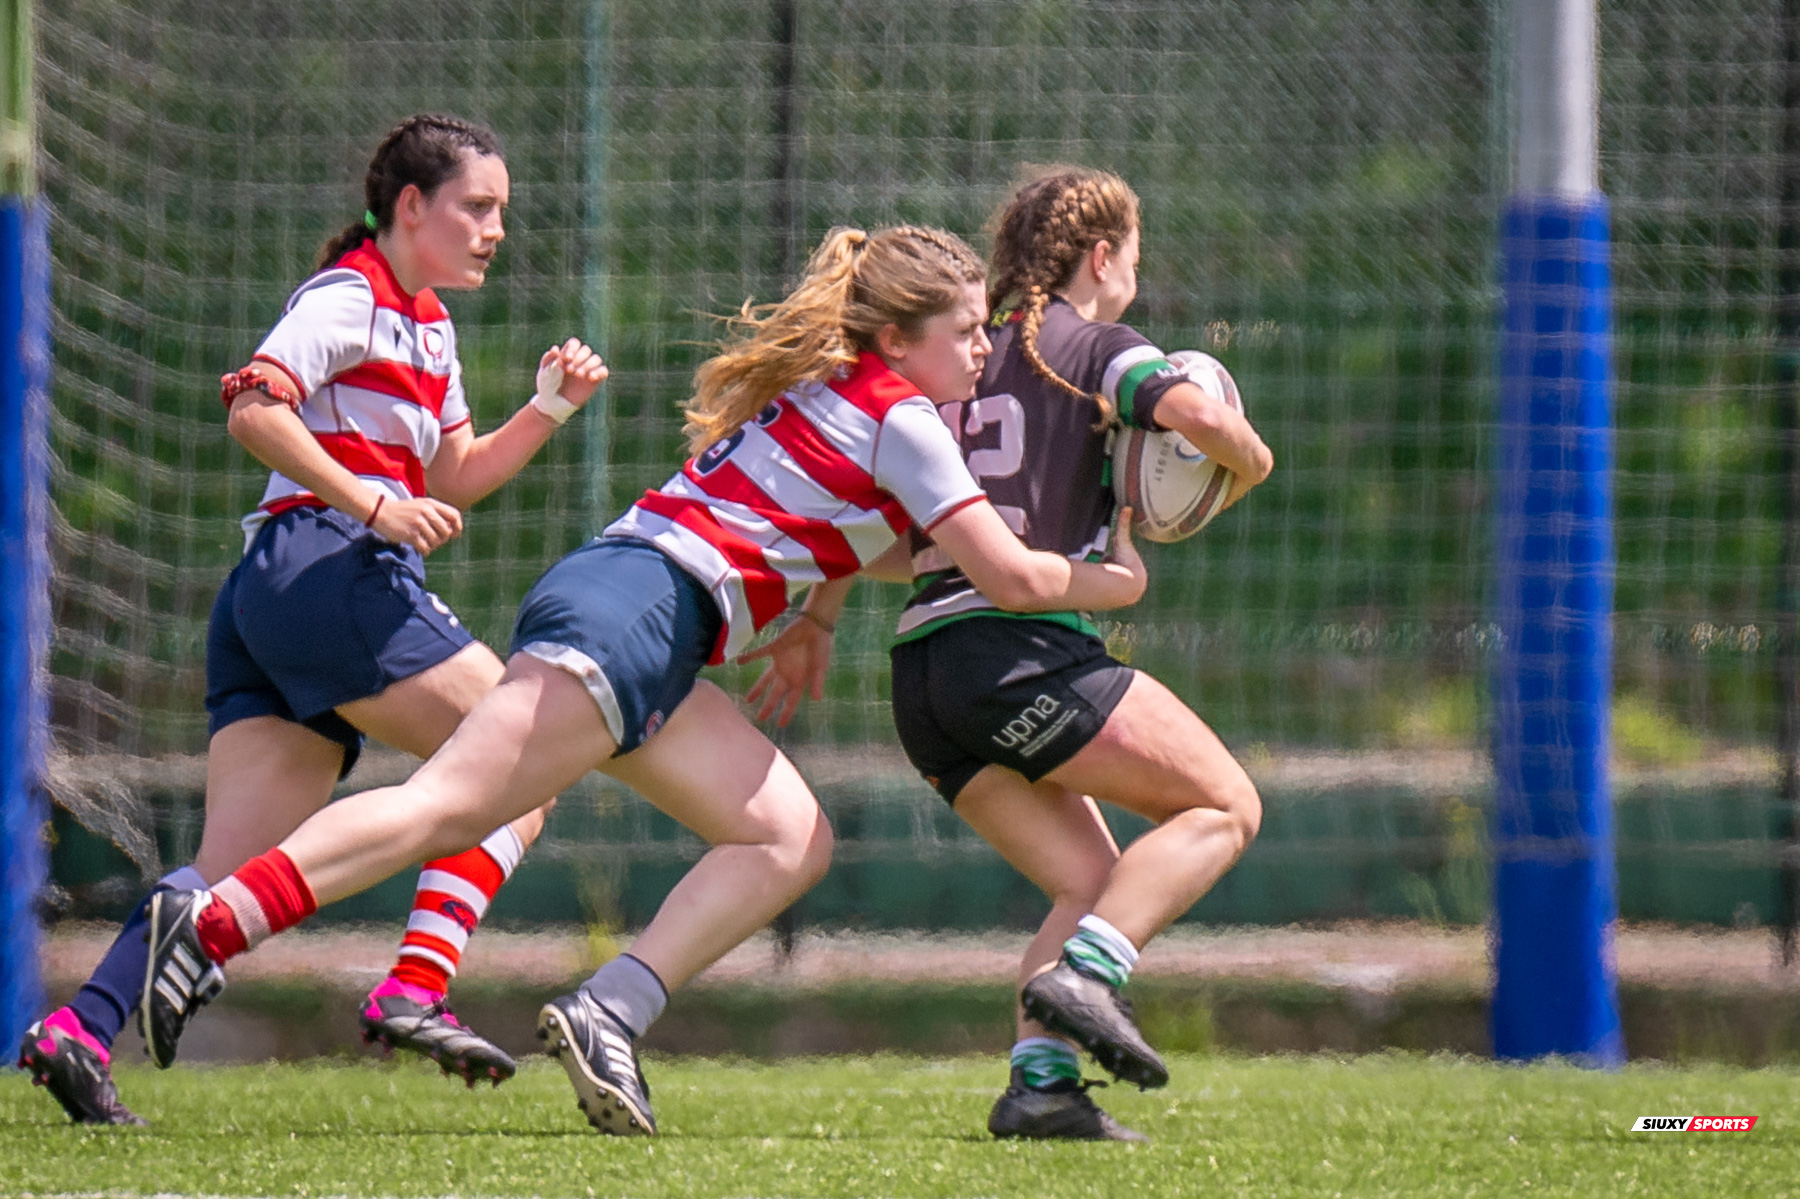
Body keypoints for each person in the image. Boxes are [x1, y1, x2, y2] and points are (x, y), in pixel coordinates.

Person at [134, 223, 1150, 1137]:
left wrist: (813, 612)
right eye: (966, 330)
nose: (983, 348)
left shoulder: (836, 395)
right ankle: (211, 919)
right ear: (896, 340)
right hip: (637, 610)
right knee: (449, 807)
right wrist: (1117, 574)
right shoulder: (904, 418)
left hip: (650, 614)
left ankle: (607, 1008)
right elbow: (1006, 573)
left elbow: (863, 540)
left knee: (788, 835)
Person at [17, 114, 607, 1125]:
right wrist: (372, 503)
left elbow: (456, 473)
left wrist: (547, 406)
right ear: (408, 207)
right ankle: (415, 983)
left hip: (272, 596)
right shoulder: (348, 298)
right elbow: (253, 403)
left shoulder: (427, 325)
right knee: (528, 758)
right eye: (476, 207)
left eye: (501, 212)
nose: (494, 229)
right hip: (330, 568)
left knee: (227, 870)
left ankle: (79, 1028)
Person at [889, 167, 1273, 1141]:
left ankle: (1041, 1086)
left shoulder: (964, 357)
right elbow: (1191, 415)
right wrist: (1247, 460)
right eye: (1133, 264)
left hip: (923, 676)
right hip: (1019, 650)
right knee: (1224, 804)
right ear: (1101, 258)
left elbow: (892, 532)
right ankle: (1091, 973)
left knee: (1091, 874)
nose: (1134, 285)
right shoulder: (1088, 345)